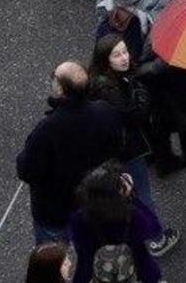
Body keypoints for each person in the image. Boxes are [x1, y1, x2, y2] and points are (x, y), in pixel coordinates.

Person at [15, 62, 122, 244]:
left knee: (53, 259)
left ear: (61, 90)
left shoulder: (47, 129)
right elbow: (118, 144)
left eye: (54, 77)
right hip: (95, 200)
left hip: (56, 211)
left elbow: (26, 170)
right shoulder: (104, 111)